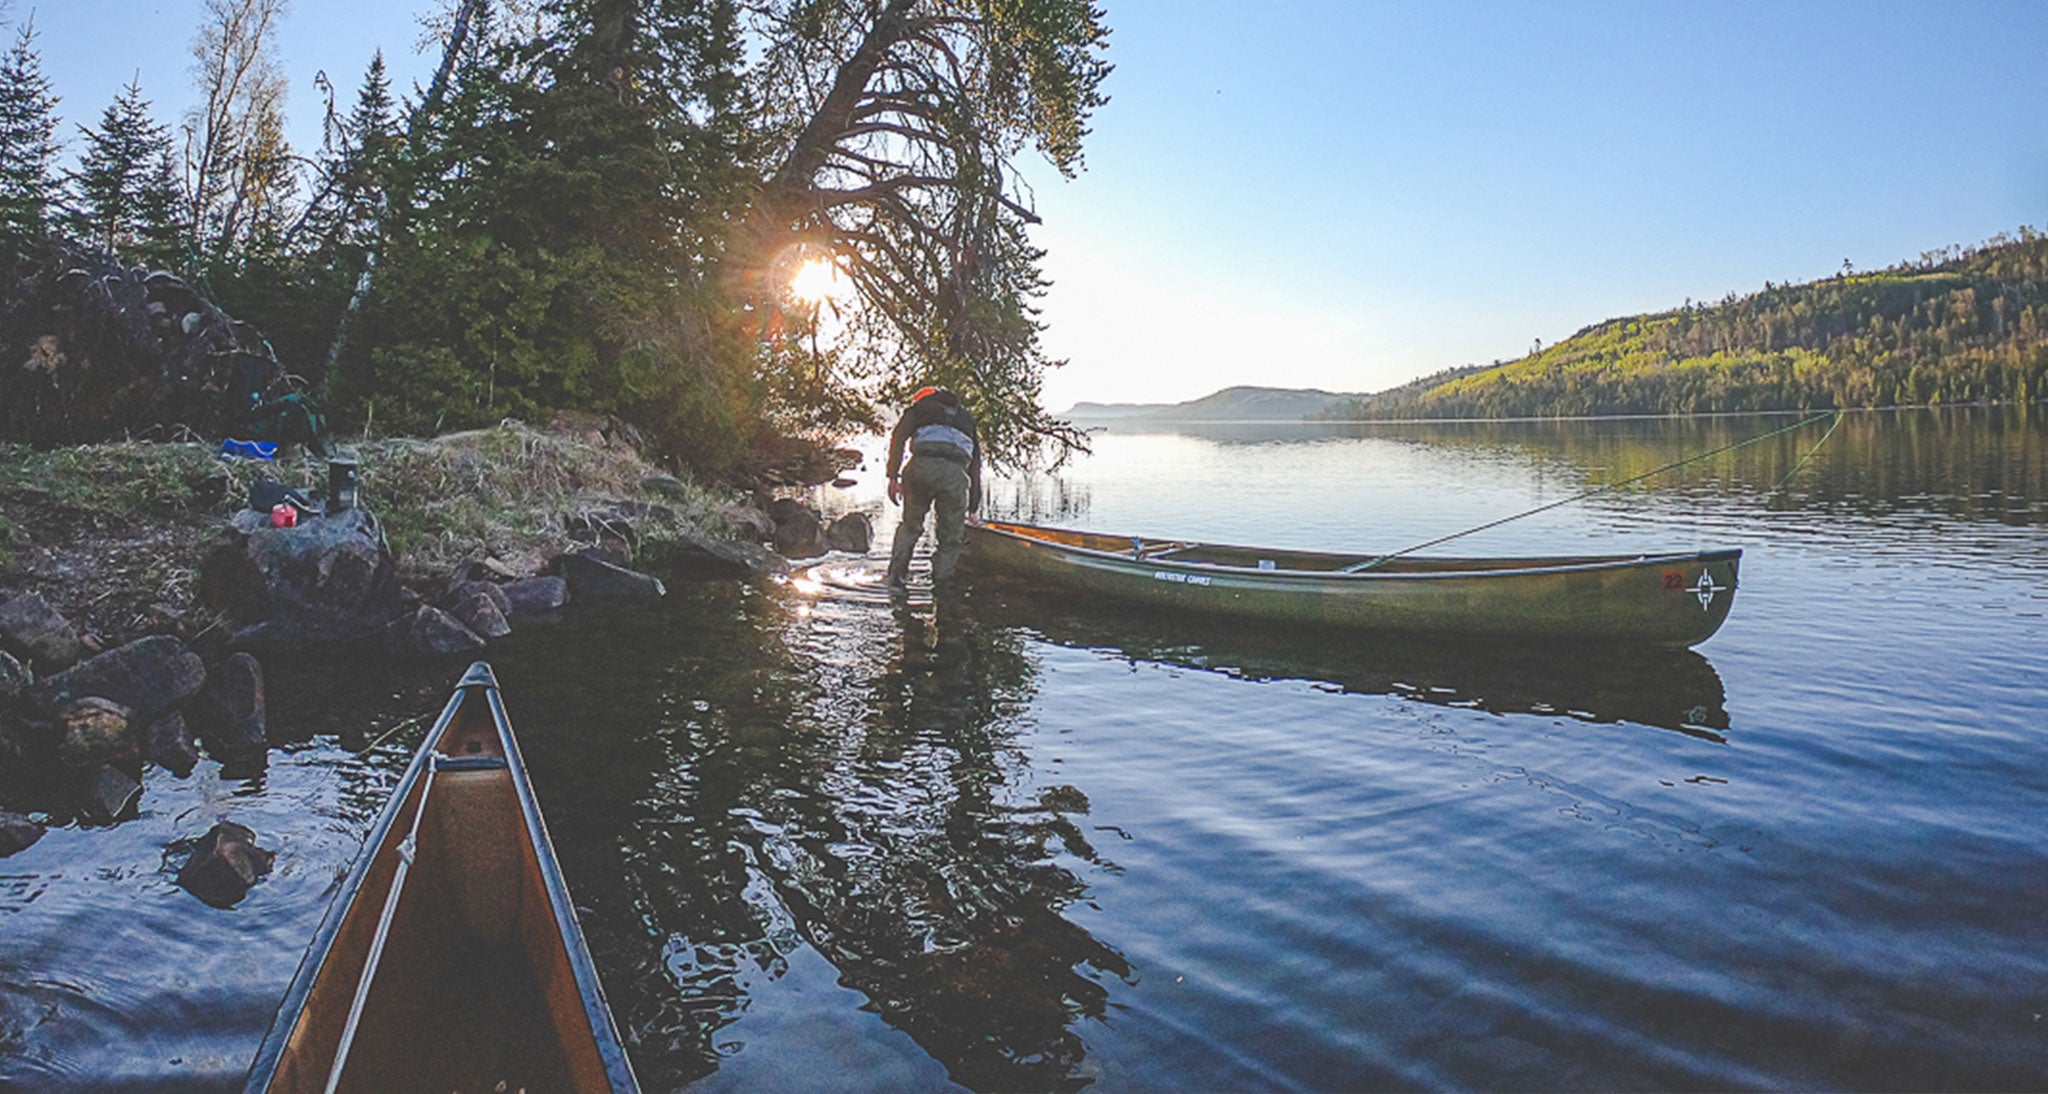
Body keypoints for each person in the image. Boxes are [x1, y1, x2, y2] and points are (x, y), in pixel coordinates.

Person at [884, 386, 982, 596]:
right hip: (955, 475)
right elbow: (975, 464)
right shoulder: (966, 419)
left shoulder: (920, 409)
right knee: (950, 541)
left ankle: (895, 580)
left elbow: (899, 436)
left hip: (921, 468)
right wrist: (973, 507)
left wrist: (893, 476)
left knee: (910, 528)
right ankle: (942, 588)